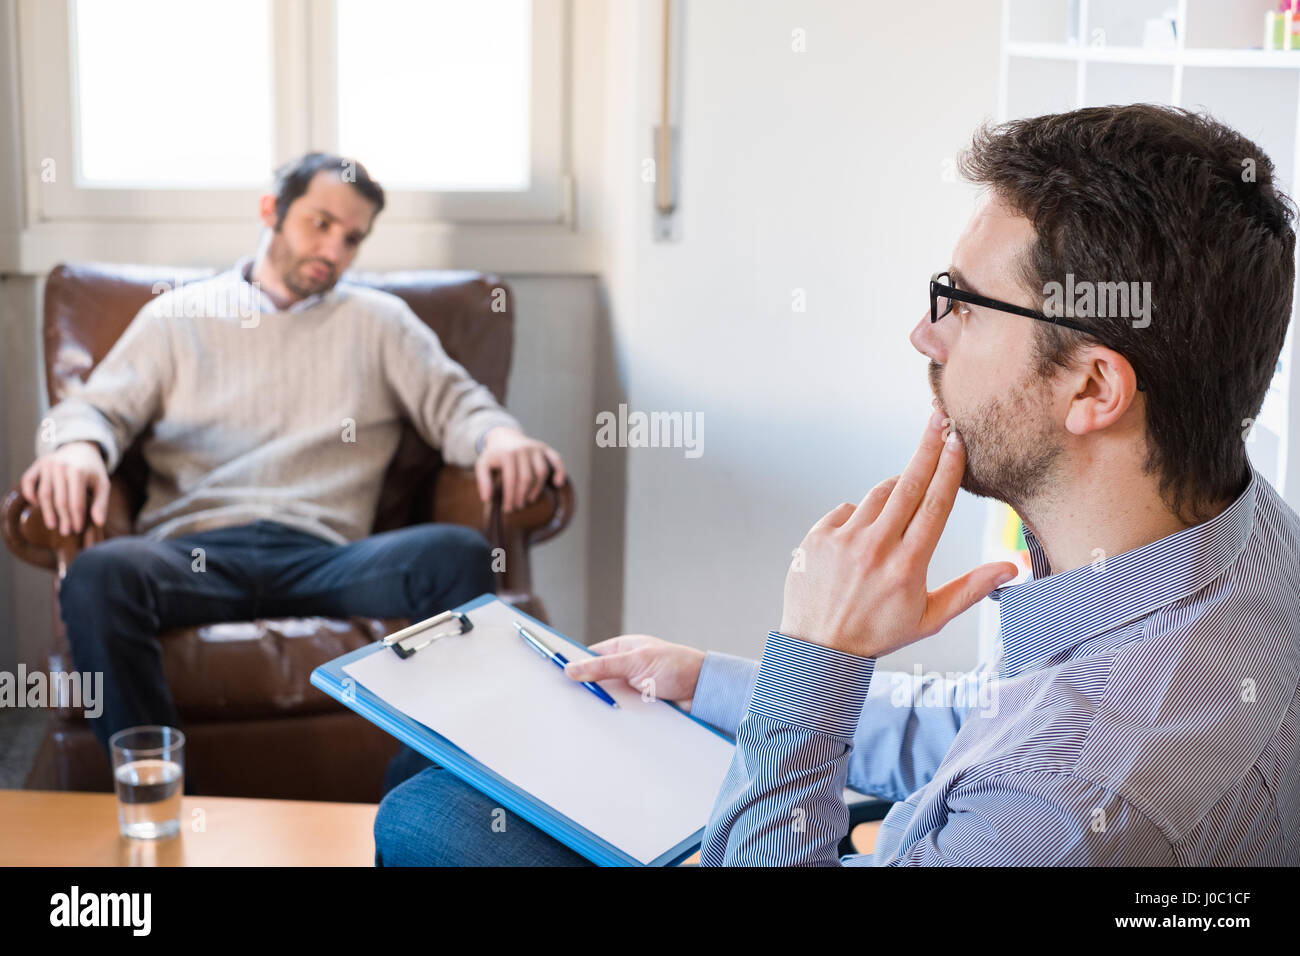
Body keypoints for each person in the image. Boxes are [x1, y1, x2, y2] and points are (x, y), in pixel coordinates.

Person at [372, 104, 1300, 866]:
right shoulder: (1239, 529)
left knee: (429, 821)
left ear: (1093, 387)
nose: (926, 335)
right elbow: (1000, 728)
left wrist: (816, 654)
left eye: (964, 305)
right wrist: (721, 686)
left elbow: (1046, 777)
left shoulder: (1075, 809)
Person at [20, 152, 566, 795]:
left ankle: (411, 799)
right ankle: (159, 791)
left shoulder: (379, 323)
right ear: (271, 212)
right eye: (320, 223)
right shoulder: (178, 317)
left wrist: (500, 435)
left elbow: (459, 405)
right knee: (97, 576)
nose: (333, 248)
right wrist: (77, 447)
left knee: (457, 556)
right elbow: (88, 410)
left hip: (328, 559)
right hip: (196, 558)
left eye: (352, 237)